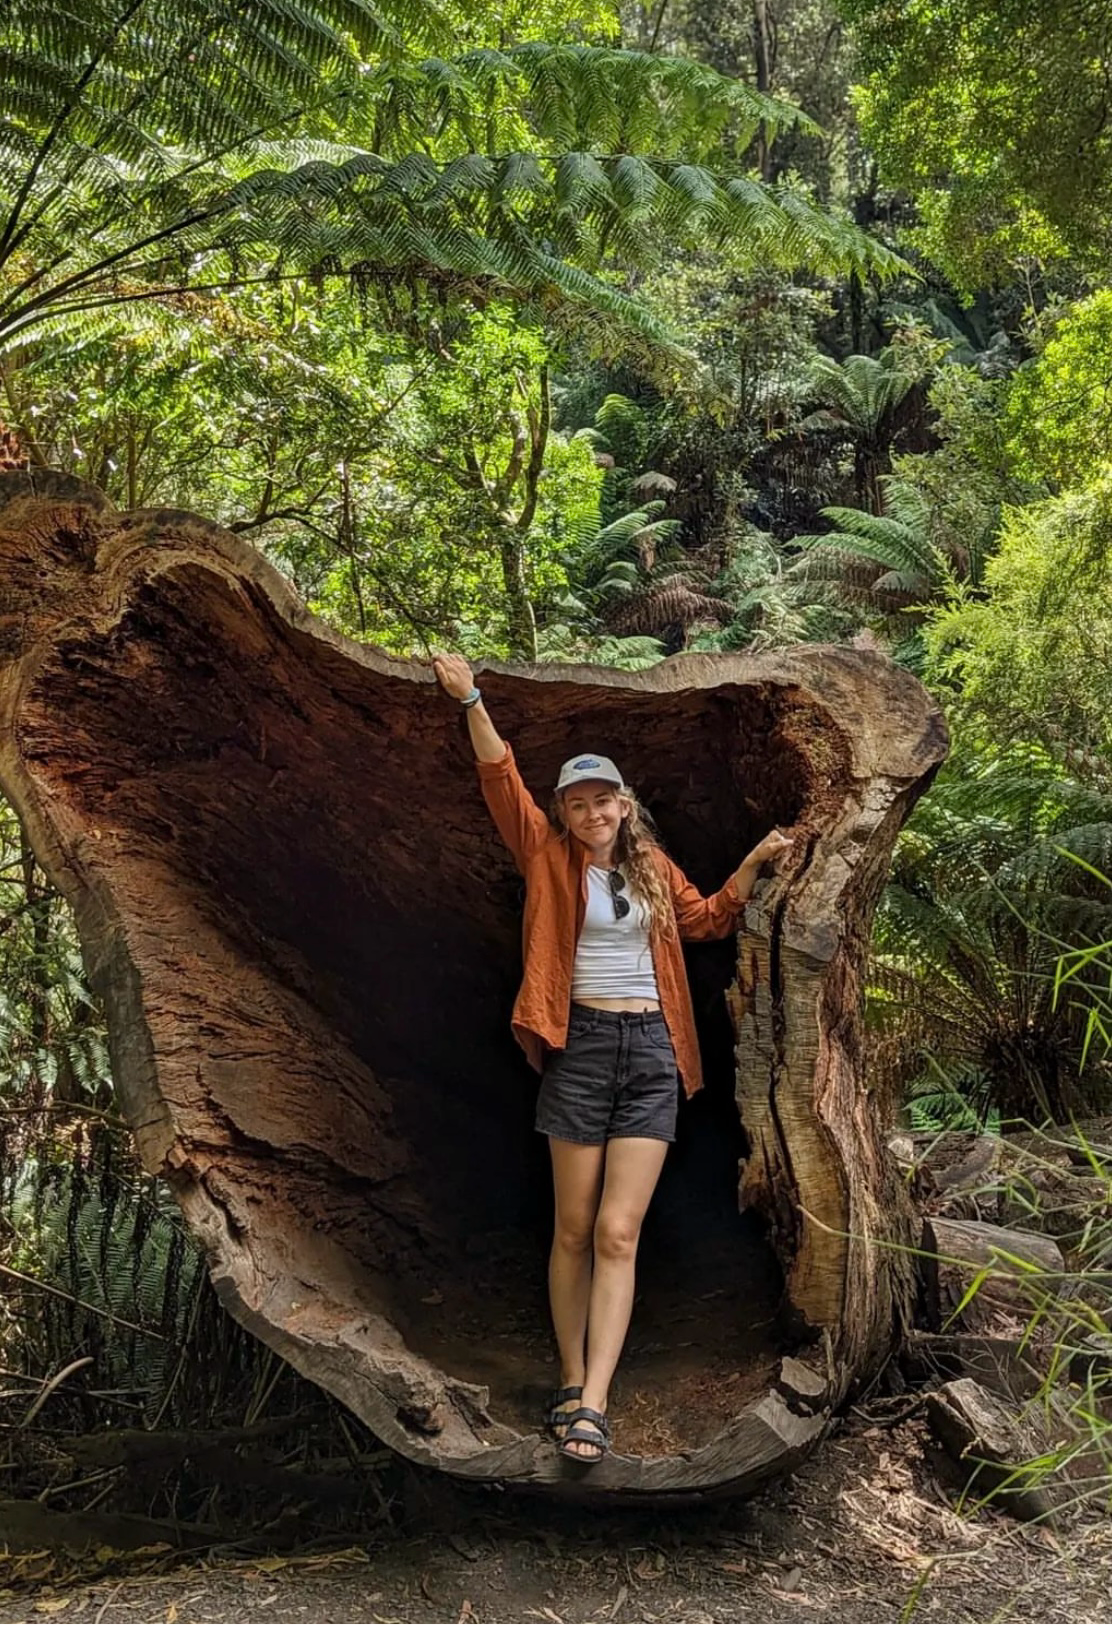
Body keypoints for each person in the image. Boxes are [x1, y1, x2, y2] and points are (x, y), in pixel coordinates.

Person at [433, 653, 793, 1464]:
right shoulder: (547, 855)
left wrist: (753, 864)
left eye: (604, 799)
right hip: (582, 1045)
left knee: (618, 1231)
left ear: (625, 805)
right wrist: (471, 699)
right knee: (572, 1229)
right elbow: (500, 778)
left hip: (654, 1052)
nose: (592, 812)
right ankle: (569, 1375)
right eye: (578, 802)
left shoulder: (652, 870)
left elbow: (704, 920)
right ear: (563, 812)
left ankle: (595, 1398)